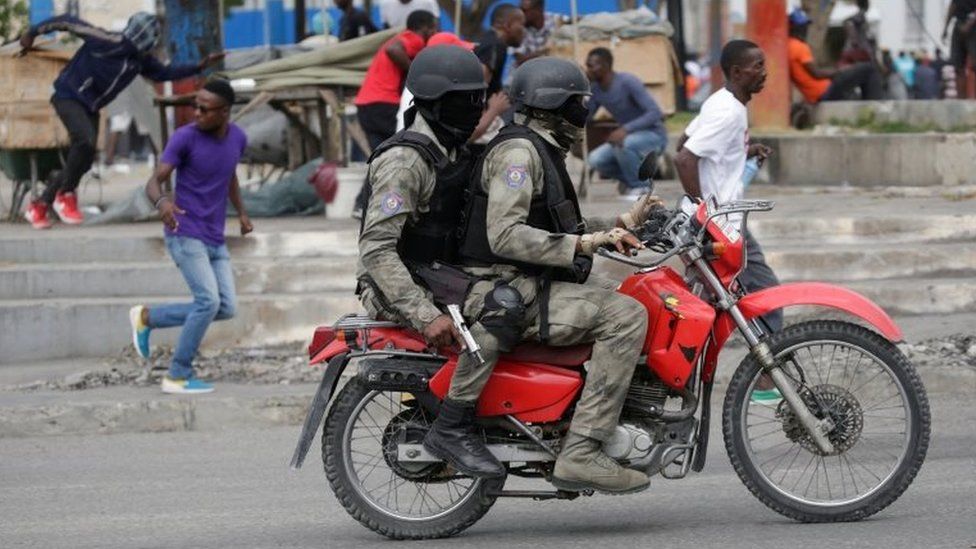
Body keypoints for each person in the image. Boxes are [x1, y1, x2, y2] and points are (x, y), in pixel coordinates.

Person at [456, 57, 664, 494]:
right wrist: (587, 244)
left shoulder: (540, 147)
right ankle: (583, 450)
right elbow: (506, 236)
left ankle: (604, 413)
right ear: (553, 104)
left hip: (527, 279)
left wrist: (623, 221)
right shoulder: (518, 153)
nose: (584, 111)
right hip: (507, 286)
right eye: (578, 102)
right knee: (626, 317)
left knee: (633, 296)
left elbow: (558, 220)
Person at [356, 46, 497, 477]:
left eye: (480, 99)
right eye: (466, 101)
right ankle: (452, 427)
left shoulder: (454, 150)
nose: (476, 110)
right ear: (435, 103)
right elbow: (377, 250)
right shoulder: (405, 161)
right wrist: (422, 314)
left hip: (438, 276)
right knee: (502, 311)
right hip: (398, 287)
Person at [17, 12, 224, 230]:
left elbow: (163, 73)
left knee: (83, 160)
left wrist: (198, 68)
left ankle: (39, 205)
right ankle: (65, 194)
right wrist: (32, 33)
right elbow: (67, 21)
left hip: (91, 106)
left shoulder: (139, 60)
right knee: (85, 141)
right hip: (68, 95)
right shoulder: (106, 40)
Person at [130, 80, 252, 395]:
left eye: (204, 108)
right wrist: (162, 203)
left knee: (226, 307)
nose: (196, 113)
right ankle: (177, 374)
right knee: (207, 301)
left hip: (215, 236)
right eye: (195, 106)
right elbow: (154, 181)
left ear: (224, 112)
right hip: (184, 232)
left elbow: (230, 176)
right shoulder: (185, 138)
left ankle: (148, 318)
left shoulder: (237, 138)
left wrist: (241, 212)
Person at [674, 40, 782, 336]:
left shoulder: (721, 100)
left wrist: (742, 150)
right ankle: (766, 378)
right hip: (724, 225)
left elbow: (685, 141)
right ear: (737, 72)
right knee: (768, 297)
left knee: (705, 306)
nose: (764, 72)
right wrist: (704, 217)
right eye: (757, 66)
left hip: (720, 222)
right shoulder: (728, 112)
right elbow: (684, 158)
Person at [352, 10, 438, 218]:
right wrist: (415, 73)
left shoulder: (402, 38)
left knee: (381, 155)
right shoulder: (412, 38)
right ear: (424, 27)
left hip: (365, 104)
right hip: (383, 103)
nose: (435, 32)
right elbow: (393, 49)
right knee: (401, 151)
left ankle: (362, 204)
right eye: (434, 27)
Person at [584, 47, 668, 198]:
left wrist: (626, 129)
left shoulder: (628, 81)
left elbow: (655, 112)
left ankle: (642, 188)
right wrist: (585, 90)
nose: (589, 69)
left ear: (606, 65)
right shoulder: (596, 89)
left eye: (592, 65)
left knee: (623, 142)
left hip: (653, 135)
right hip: (629, 137)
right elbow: (587, 116)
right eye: (587, 65)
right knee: (596, 159)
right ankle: (633, 182)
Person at [787, 8, 882, 103]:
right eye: (803, 26)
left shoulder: (788, 46)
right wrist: (839, 71)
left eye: (806, 26)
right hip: (826, 92)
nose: (806, 29)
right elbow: (817, 74)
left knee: (858, 78)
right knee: (869, 69)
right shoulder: (799, 47)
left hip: (819, 93)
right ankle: (874, 107)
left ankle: (868, 105)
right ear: (795, 27)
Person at [469, 4, 526, 143]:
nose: (524, 31)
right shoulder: (495, 45)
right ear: (507, 25)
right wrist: (493, 111)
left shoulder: (490, 41)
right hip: (480, 129)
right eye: (521, 25)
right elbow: (477, 86)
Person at [942, 0, 976, 98]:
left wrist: (969, 24)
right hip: (959, 25)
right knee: (958, 65)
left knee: (974, 63)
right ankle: (961, 98)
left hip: (973, 27)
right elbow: (953, 6)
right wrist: (945, 28)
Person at [513, 0, 556, 66]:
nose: (520, 14)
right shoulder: (518, 30)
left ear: (538, 9)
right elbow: (520, 60)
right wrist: (547, 51)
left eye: (524, 11)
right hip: (528, 74)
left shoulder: (557, 21)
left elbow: (576, 24)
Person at [839, 0, 875, 68]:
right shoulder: (861, 14)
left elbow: (846, 21)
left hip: (859, 47)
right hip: (860, 48)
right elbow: (848, 22)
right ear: (867, 5)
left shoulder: (862, 15)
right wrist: (854, 39)